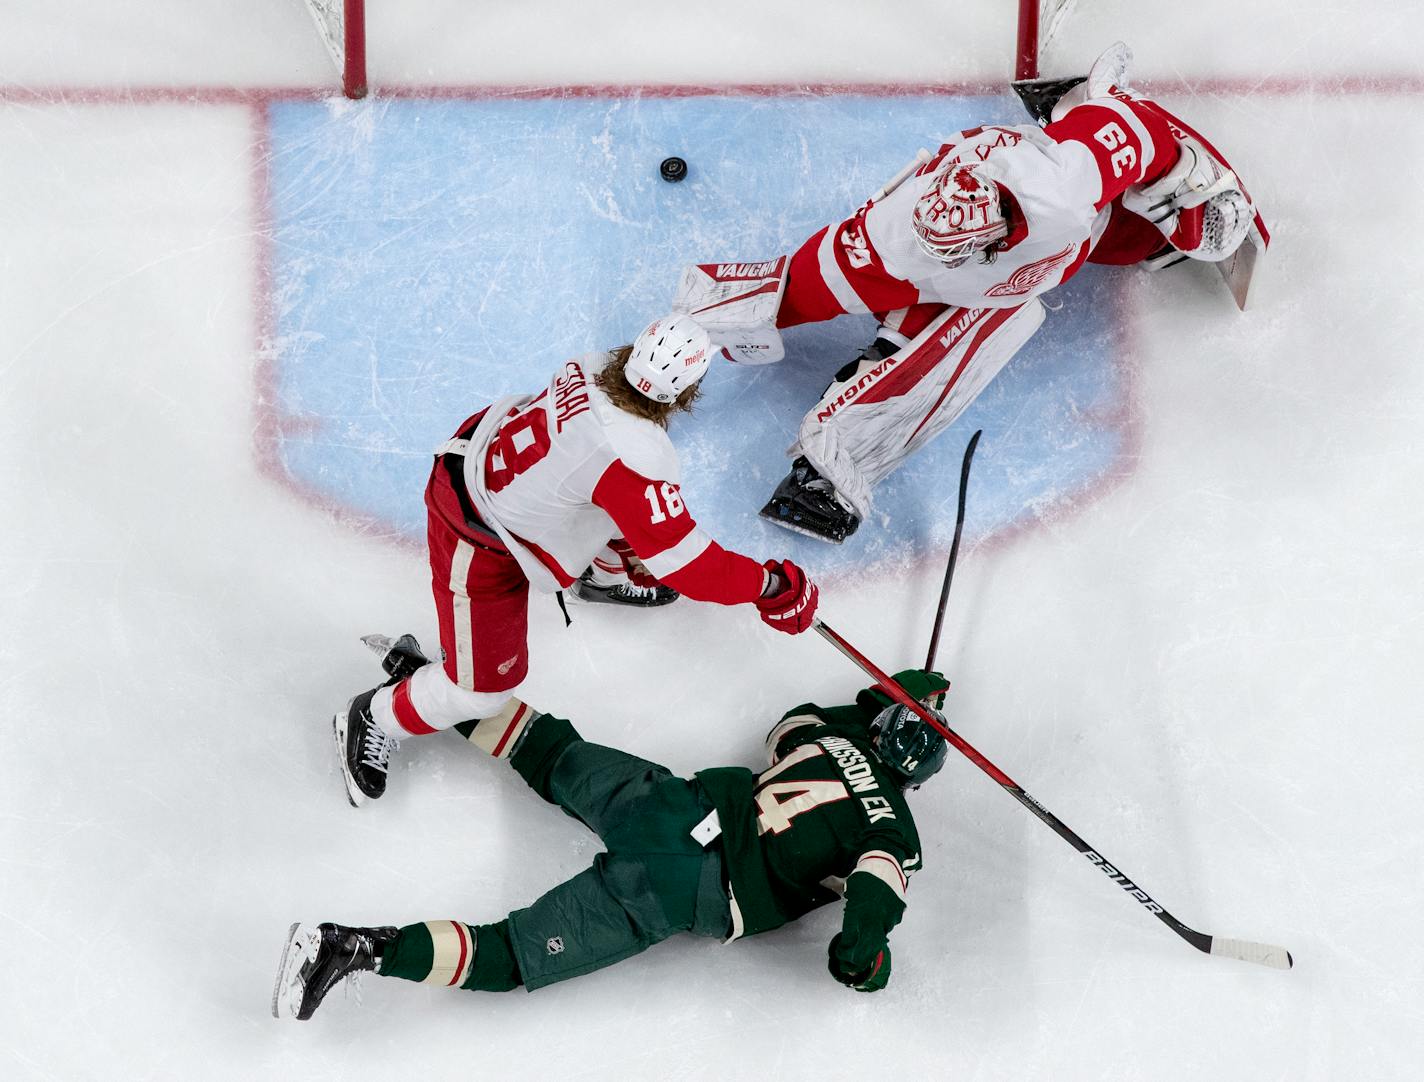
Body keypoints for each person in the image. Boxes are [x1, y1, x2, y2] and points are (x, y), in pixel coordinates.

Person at [672, 44, 1262, 542]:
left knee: (1019, 301)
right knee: (982, 328)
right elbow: (817, 278)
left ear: (988, 233)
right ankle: (831, 467)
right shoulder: (901, 233)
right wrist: (703, 327)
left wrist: (1183, 207)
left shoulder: (1056, 186)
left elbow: (1142, 133)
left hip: (1080, 231)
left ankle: (1103, 150)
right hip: (987, 285)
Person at [334, 315, 820, 807]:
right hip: (475, 534)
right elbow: (690, 567)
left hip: (487, 455)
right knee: (482, 694)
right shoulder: (636, 458)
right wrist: (773, 587)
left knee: (619, 512)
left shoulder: (598, 365)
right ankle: (374, 714)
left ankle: (603, 576)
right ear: (686, 391)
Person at [274, 668, 951, 1019]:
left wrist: (882, 699)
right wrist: (863, 963)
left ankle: (422, 684)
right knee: (510, 955)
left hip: (672, 803)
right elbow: (873, 891)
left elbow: (788, 727)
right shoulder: (894, 827)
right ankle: (356, 948)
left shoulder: (830, 739)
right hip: (684, 885)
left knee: (547, 749)